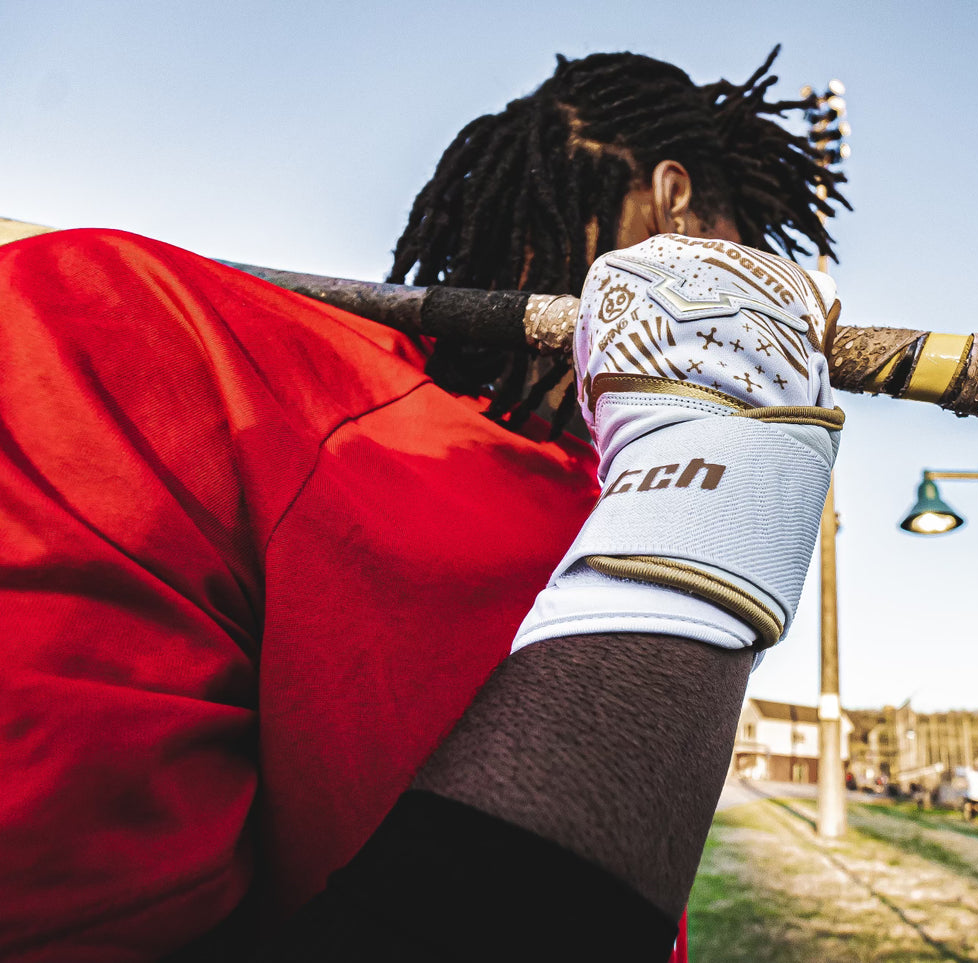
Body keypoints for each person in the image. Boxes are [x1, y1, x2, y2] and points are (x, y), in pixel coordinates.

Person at [0, 49, 846, 962]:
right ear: (675, 205)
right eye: (743, 241)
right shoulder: (131, 333)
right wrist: (704, 504)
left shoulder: (603, 488)